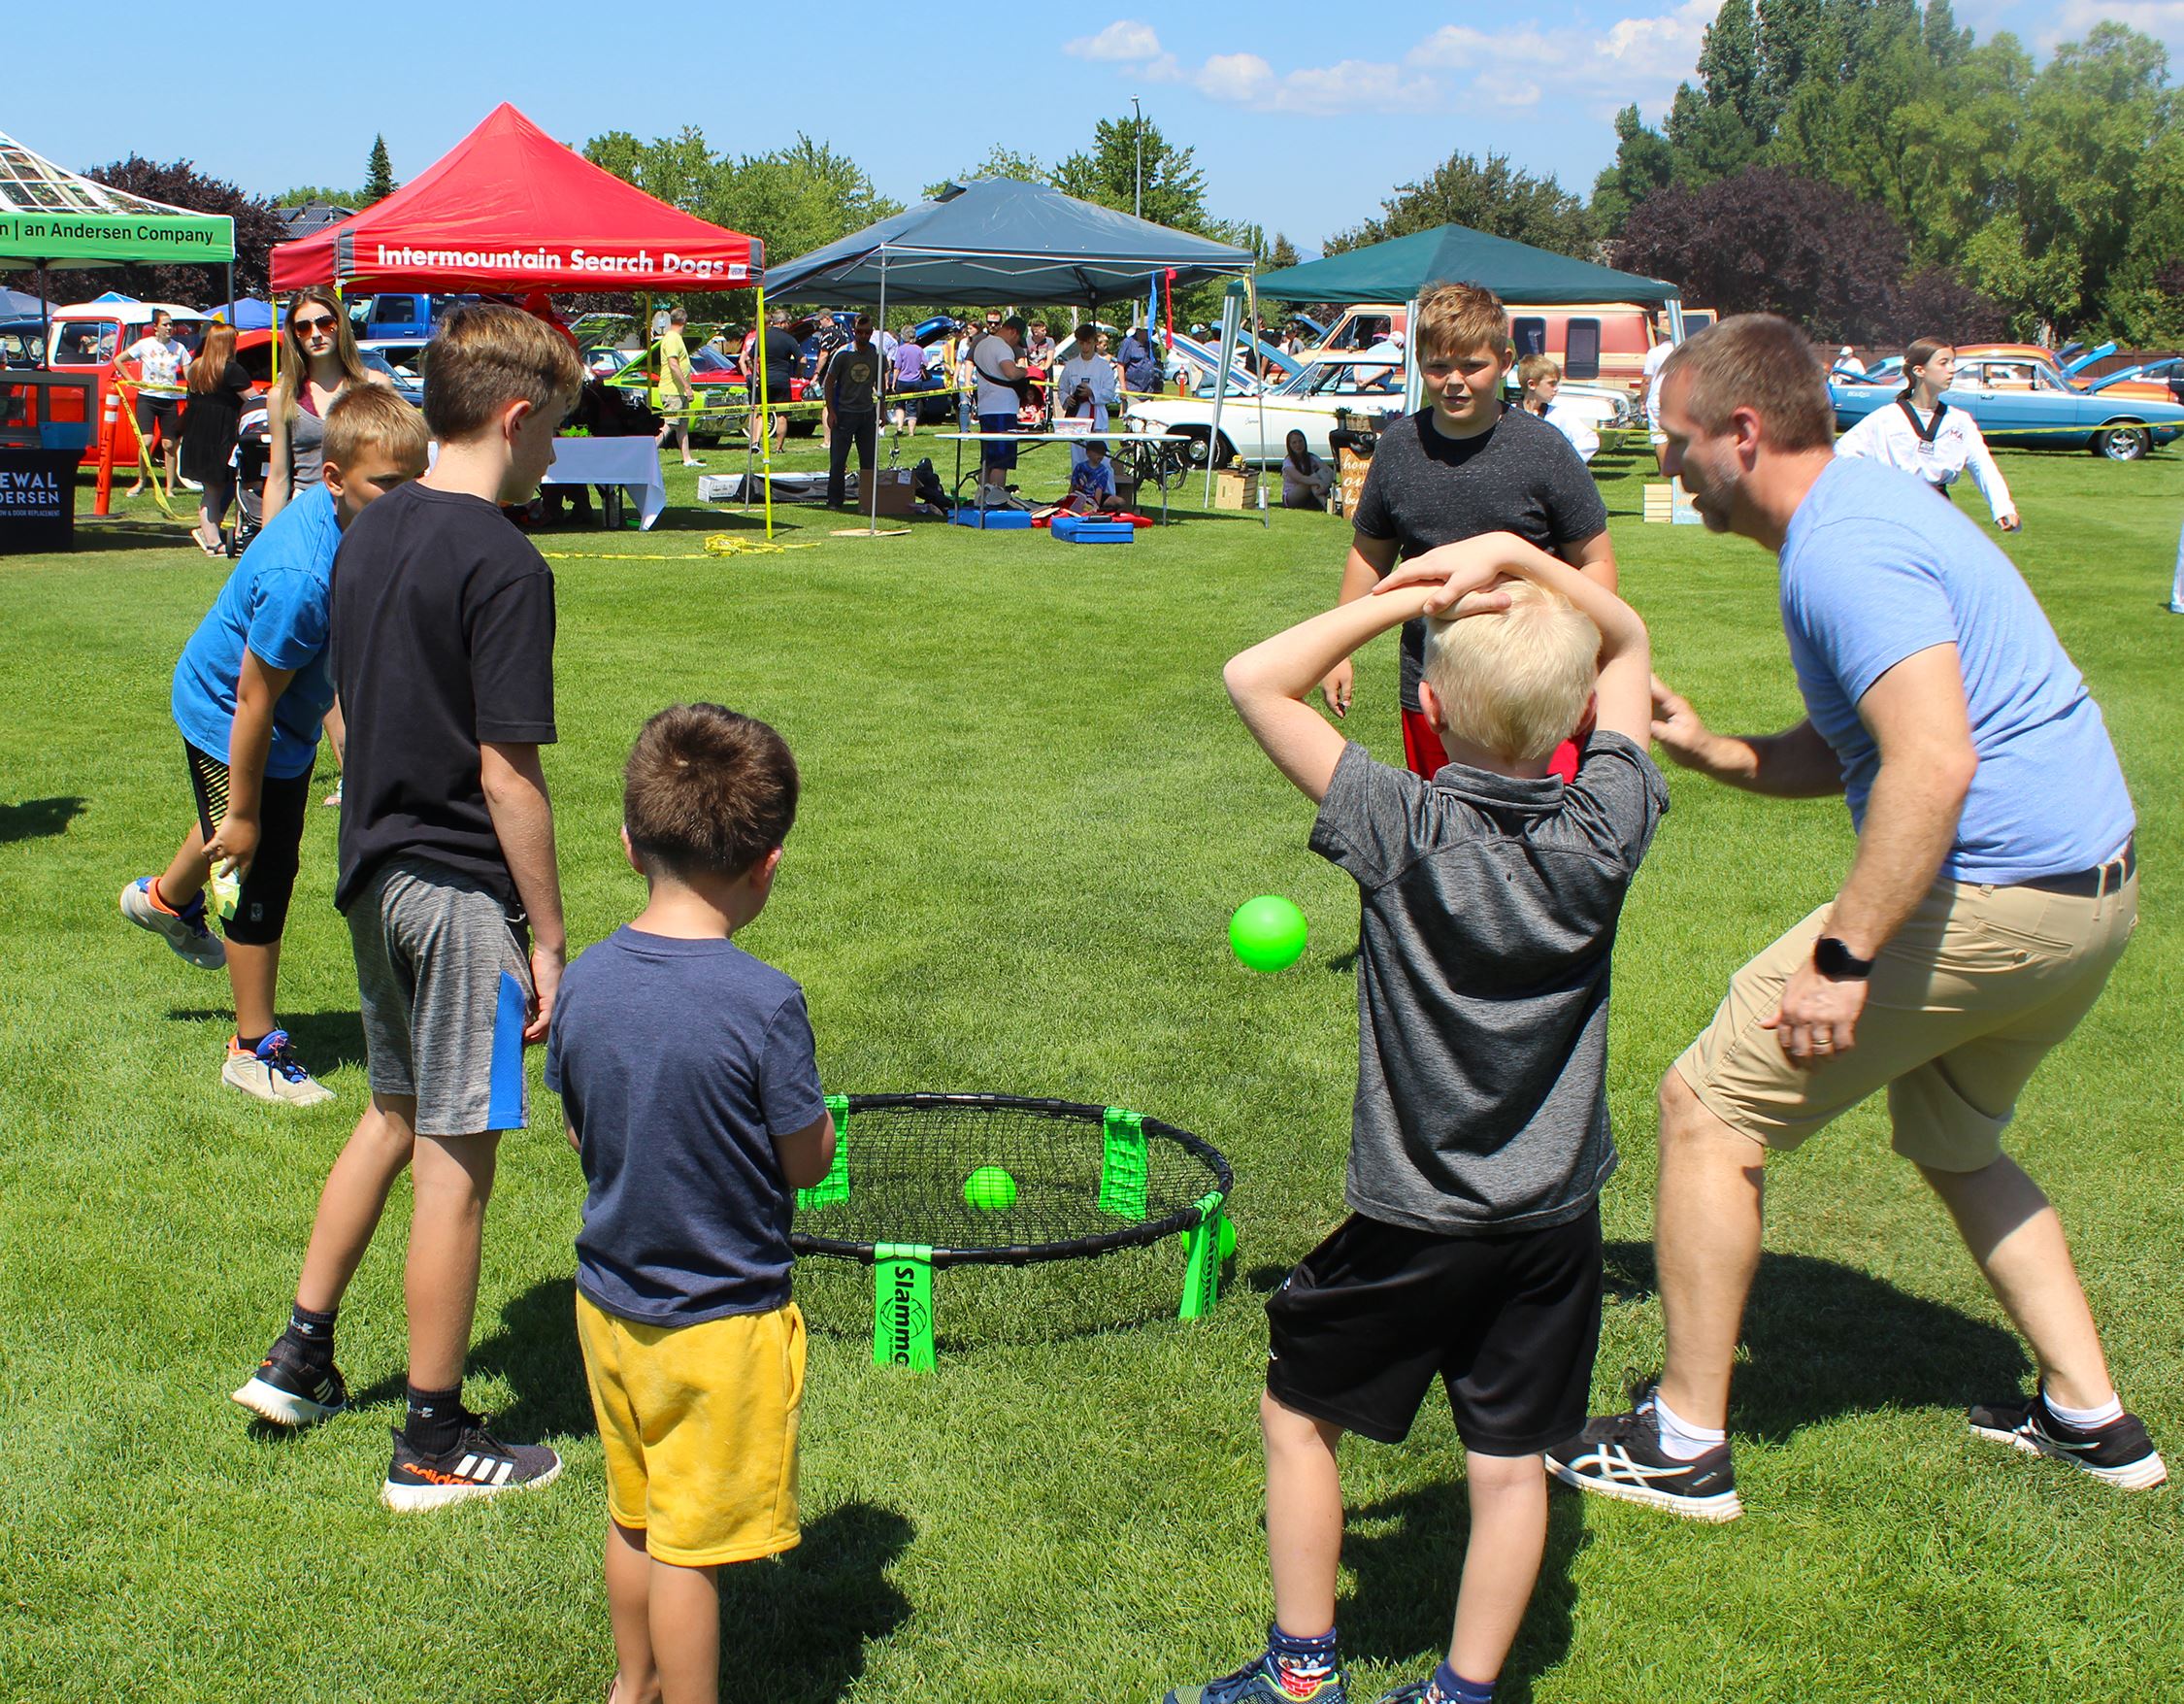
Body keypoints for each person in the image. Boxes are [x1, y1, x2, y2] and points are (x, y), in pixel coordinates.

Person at [1546, 315, 2164, 1521]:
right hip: (2092, 898)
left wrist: (1843, 959)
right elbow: (1870, 751)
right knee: (1955, 1140)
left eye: (1676, 444)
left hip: (1997, 896)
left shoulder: (1843, 551)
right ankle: (2094, 1417)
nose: (1665, 466)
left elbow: (1934, 769)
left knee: (1707, 1106)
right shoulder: (1866, 516)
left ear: (1744, 431)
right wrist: (1713, 747)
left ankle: (1682, 1443)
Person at [1169, 530, 1662, 1704]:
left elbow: (1255, 677)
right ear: (1577, 715)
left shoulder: (1400, 825)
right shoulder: (1605, 831)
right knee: (1508, 1470)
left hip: (1414, 1216)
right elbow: (1632, 636)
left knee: (1297, 1419)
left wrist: (1404, 594)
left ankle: (1301, 1676)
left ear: (1428, 705)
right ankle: (1464, 1691)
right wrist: (1524, 566)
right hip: (1551, 1222)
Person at [230, 306, 585, 1511]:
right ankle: (433, 1441)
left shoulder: (365, 531)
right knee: (456, 1160)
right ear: (515, 415)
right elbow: (507, 771)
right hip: (457, 895)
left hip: (370, 877)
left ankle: (300, 1355)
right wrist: (546, 936)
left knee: (388, 1115)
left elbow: (343, 699)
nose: (552, 465)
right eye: (554, 439)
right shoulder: (505, 561)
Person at [548, 702, 836, 1704]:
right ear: (768, 865)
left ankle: (632, 1689)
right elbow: (805, 1161)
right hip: (720, 1320)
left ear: (629, 843)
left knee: (634, 1512)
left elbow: (583, 1125)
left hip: (608, 1302)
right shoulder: (764, 1002)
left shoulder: (583, 981)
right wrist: (817, 1131)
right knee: (688, 1549)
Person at [121, 387, 430, 1106]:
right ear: (334, 479)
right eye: (387, 483)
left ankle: (166, 902)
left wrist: (354, 755)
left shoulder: (363, 530)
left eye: (415, 479)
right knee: (257, 863)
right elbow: (255, 699)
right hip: (226, 710)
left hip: (277, 709)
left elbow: (330, 672)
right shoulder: (301, 576)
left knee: (235, 824)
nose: (405, 497)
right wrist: (247, 815)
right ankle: (252, 1047)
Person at [1323, 282, 1616, 787]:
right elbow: (1368, 556)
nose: (1454, 381)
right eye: (1438, 366)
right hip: (1436, 684)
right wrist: (1337, 649)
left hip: (1536, 680)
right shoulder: (1398, 448)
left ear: (1504, 362)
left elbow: (1596, 559)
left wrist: (1587, 649)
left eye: (1472, 366)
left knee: (1545, 837)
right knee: (1448, 838)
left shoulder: (1543, 448)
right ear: (1418, 362)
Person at [1834, 337, 2019, 531]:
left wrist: (2002, 507)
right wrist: (1872, 488)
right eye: (1943, 363)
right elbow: (1843, 453)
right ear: (1919, 370)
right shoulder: (1886, 418)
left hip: (1939, 513)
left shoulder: (1960, 421)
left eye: (1953, 362)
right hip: (1893, 514)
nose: (1952, 369)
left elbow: (1983, 466)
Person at [265, 288, 389, 523]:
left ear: (340, 324)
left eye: (325, 323)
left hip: (367, 515)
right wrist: (266, 547)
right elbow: (278, 477)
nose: (315, 334)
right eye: (303, 327)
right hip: (307, 516)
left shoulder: (376, 385)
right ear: (295, 336)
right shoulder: (281, 396)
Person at [180, 322, 255, 555]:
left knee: (210, 489)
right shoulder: (232, 370)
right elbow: (252, 399)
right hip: (221, 435)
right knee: (218, 488)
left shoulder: (196, 368)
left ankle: (211, 535)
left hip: (197, 434)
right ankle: (213, 540)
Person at [118, 309, 190, 500]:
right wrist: (132, 381)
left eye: (171, 324)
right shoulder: (144, 345)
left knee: (169, 445)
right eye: (165, 324)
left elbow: (188, 371)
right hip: (148, 398)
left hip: (169, 400)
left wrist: (195, 387)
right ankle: (141, 481)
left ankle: (170, 488)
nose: (169, 328)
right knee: (147, 441)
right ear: (155, 327)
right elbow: (119, 360)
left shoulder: (179, 348)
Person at [825, 315, 881, 510]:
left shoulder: (875, 353)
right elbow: (829, 383)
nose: (863, 336)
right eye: (860, 332)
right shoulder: (843, 354)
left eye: (867, 332)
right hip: (844, 413)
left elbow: (880, 383)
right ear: (854, 331)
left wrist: (881, 412)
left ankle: (867, 501)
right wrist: (831, 411)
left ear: (872, 333)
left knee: (869, 462)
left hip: (866, 413)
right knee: (838, 461)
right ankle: (834, 502)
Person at [971, 315, 1031, 494]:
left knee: (987, 459)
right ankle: (996, 498)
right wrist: (1026, 371)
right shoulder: (1002, 347)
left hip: (986, 408)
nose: (1016, 345)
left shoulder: (981, 345)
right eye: (1017, 340)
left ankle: (982, 497)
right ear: (1013, 331)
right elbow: (1011, 372)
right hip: (1003, 410)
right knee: (1001, 461)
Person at [1055, 320, 1119, 468]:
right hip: (1077, 416)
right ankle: (1079, 490)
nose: (1085, 347)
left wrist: (1092, 393)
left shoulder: (1103, 366)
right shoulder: (1071, 366)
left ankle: (1104, 490)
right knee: (1078, 460)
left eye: (1088, 343)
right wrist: (1067, 398)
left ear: (1095, 342)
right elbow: (1062, 388)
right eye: (1081, 343)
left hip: (1097, 417)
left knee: (1102, 461)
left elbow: (1109, 393)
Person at [1515, 353, 1600, 465]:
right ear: (1532, 384)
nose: (1556, 389)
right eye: (1551, 384)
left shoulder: (1558, 415)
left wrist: (1562, 461)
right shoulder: (1508, 413)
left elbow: (1591, 440)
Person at [654, 306, 705, 469]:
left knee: (682, 425)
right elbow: (673, 363)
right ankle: (650, 452)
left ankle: (687, 459)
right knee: (670, 424)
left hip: (679, 391)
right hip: (672, 391)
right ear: (684, 321)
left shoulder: (676, 338)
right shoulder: (671, 338)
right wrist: (686, 386)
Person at [752, 310, 802, 456]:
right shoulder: (789, 339)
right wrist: (799, 372)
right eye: (788, 323)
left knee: (762, 413)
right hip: (782, 381)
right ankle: (778, 447)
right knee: (781, 415)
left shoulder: (762, 336)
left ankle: (755, 443)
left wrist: (757, 373)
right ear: (782, 323)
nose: (789, 325)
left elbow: (750, 357)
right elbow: (803, 359)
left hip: (765, 380)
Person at [1642, 328, 1675, 475]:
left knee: (1659, 436)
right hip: (1677, 397)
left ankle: (1665, 471)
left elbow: (1647, 380)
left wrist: (1643, 400)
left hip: (1657, 397)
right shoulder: (1683, 348)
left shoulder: (1654, 352)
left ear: (1662, 335)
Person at [1280, 430, 1335, 511]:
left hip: (1310, 493)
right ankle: (1326, 504)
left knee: (1322, 472)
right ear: (1289, 445)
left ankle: (1327, 505)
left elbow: (1328, 471)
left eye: (1300, 441)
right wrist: (1319, 481)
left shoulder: (1312, 457)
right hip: (1292, 497)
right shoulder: (1288, 462)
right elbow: (1300, 478)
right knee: (1313, 478)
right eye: (1294, 443)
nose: (1298, 445)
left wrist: (1324, 483)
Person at [889, 329, 928, 437]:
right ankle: (911, 432)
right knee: (912, 406)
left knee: (900, 405)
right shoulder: (919, 349)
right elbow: (925, 364)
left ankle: (900, 427)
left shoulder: (901, 350)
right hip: (916, 382)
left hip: (902, 381)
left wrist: (893, 383)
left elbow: (897, 367)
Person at [1119, 324, 1164, 397]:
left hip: (1148, 391)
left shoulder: (1149, 344)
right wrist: (1123, 387)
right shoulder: (1128, 343)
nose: (1151, 334)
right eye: (1149, 331)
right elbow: (1120, 365)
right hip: (1132, 391)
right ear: (1139, 331)